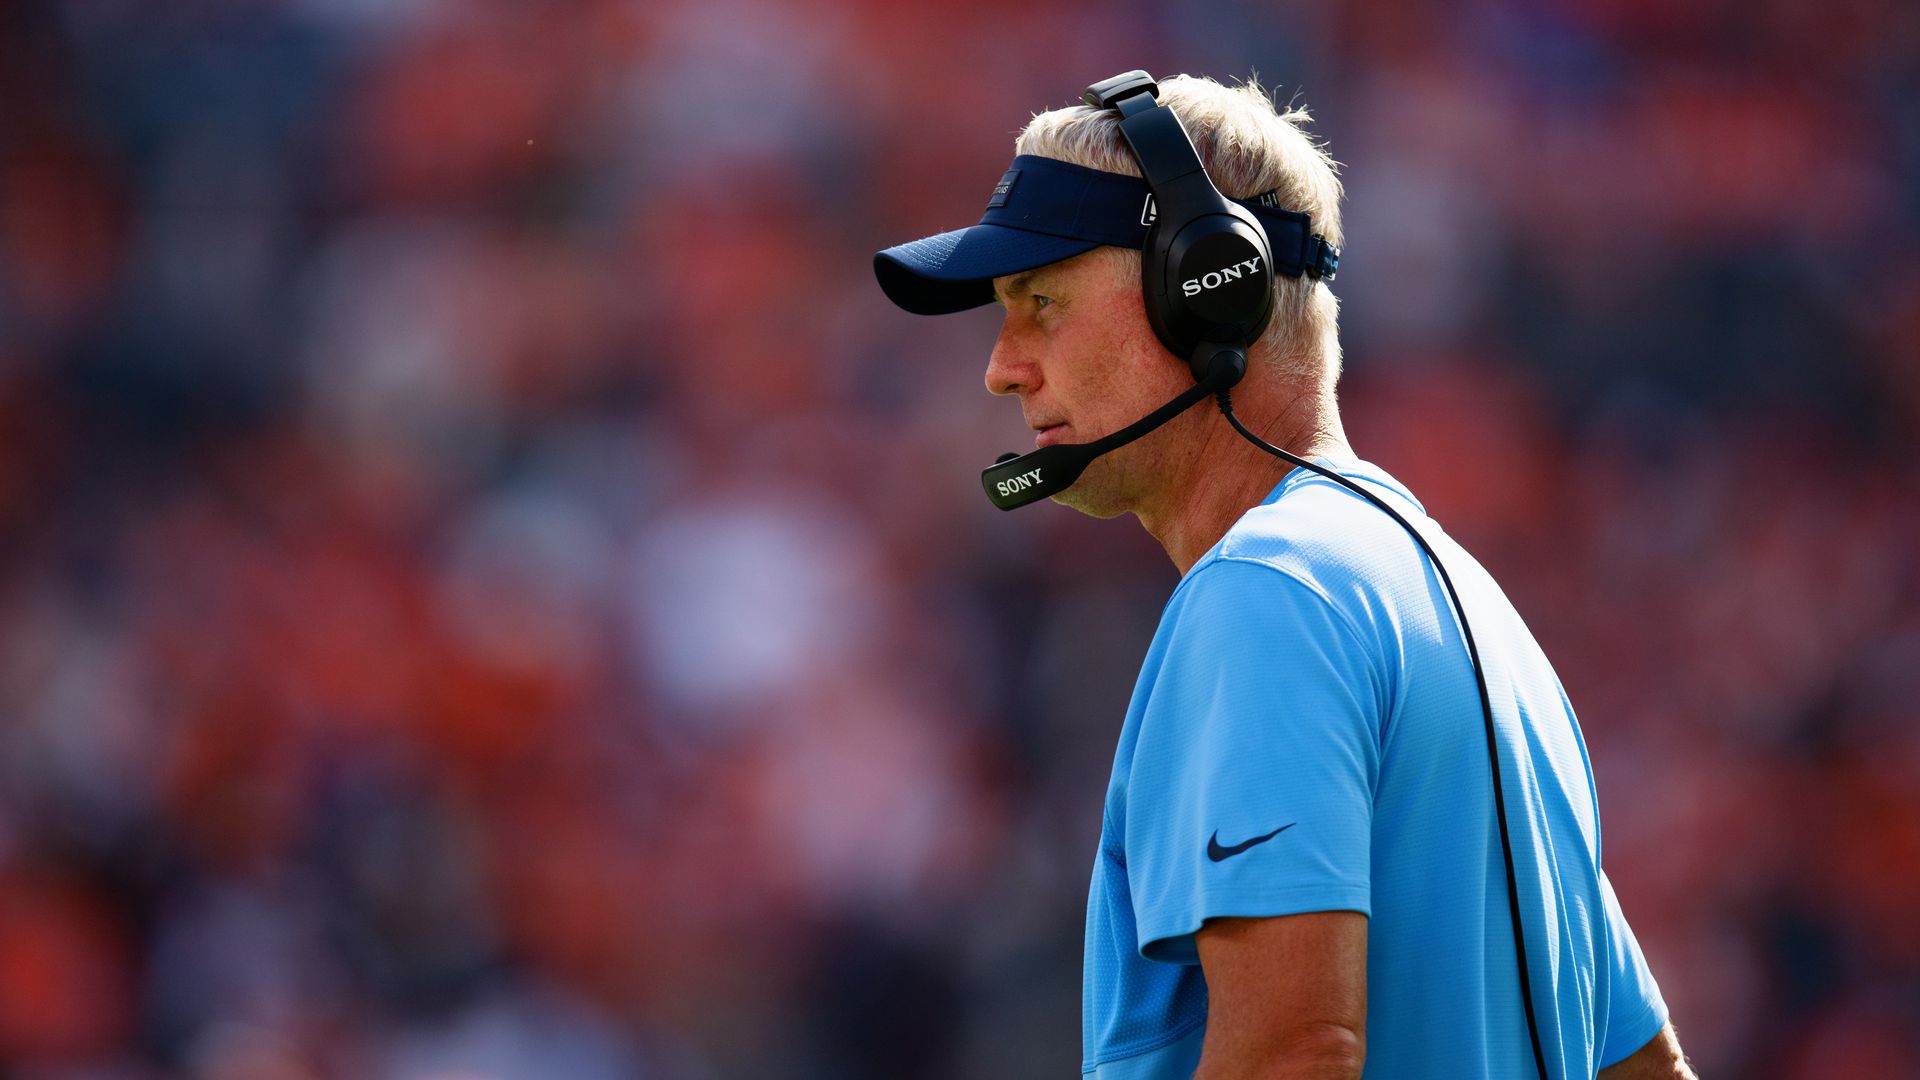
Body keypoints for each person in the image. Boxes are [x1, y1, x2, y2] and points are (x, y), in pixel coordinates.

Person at [873, 73, 1699, 1079]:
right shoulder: (1470, 607)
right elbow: (1647, 1067)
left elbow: (1293, 1053)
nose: (1002, 366)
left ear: (1208, 286)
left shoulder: (1266, 595)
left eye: (1041, 302)